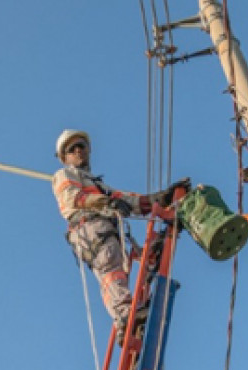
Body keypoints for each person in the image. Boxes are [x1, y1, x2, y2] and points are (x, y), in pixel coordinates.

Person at [50, 129, 178, 330]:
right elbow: (72, 198)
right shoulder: (65, 174)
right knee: (110, 267)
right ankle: (125, 314)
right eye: (71, 149)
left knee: (120, 264)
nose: (77, 151)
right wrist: (106, 202)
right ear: (64, 158)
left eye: (81, 146)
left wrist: (158, 199)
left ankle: (126, 318)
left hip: (104, 227)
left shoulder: (96, 183)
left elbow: (126, 199)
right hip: (88, 226)